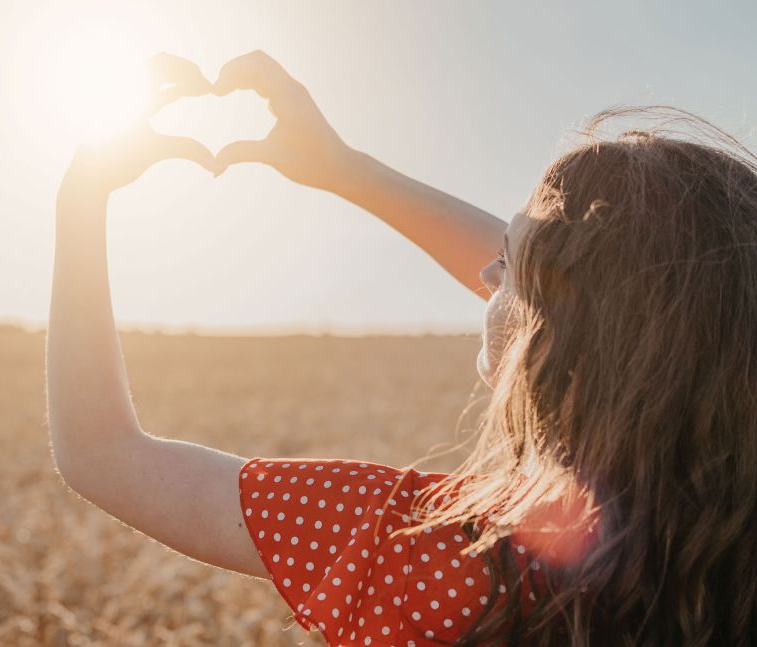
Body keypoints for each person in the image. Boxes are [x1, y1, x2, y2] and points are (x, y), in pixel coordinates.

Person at [47, 51, 757, 646]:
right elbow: (623, 304)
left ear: (562, 339)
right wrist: (343, 167)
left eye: (507, 263)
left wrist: (81, 198)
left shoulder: (433, 549)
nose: (486, 274)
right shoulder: (730, 543)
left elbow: (102, 453)